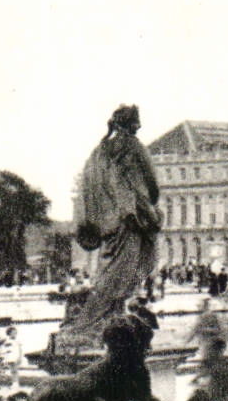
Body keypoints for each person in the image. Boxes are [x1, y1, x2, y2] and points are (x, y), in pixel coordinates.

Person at [60, 104, 161, 343]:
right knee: (124, 273)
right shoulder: (135, 147)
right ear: (133, 125)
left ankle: (103, 319)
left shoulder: (99, 151)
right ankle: (89, 323)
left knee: (111, 271)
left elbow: (88, 185)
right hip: (130, 220)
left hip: (108, 224)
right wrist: (145, 203)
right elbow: (152, 183)